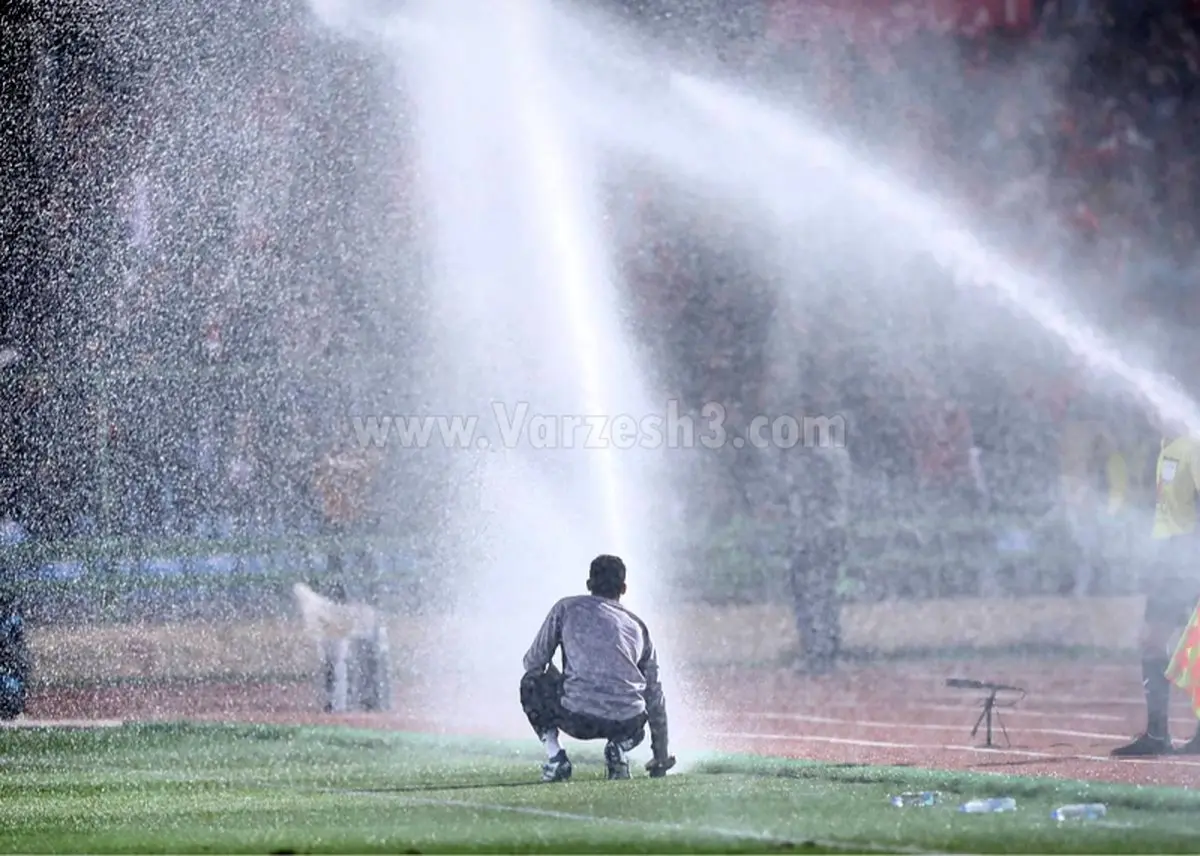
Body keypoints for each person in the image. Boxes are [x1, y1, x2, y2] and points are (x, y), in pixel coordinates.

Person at [520, 554, 674, 783]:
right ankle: (619, 748)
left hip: (577, 718)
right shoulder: (639, 626)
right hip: (627, 723)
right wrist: (660, 755)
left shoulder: (565, 608)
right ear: (624, 588)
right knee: (640, 708)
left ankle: (556, 758)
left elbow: (533, 663)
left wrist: (559, 676)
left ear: (589, 584)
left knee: (530, 684)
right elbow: (655, 695)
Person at [1112, 424, 1200, 756]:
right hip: (1166, 557)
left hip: (1187, 553)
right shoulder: (1165, 445)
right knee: (1151, 640)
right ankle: (1158, 733)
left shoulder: (1194, 445)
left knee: (1193, 642)